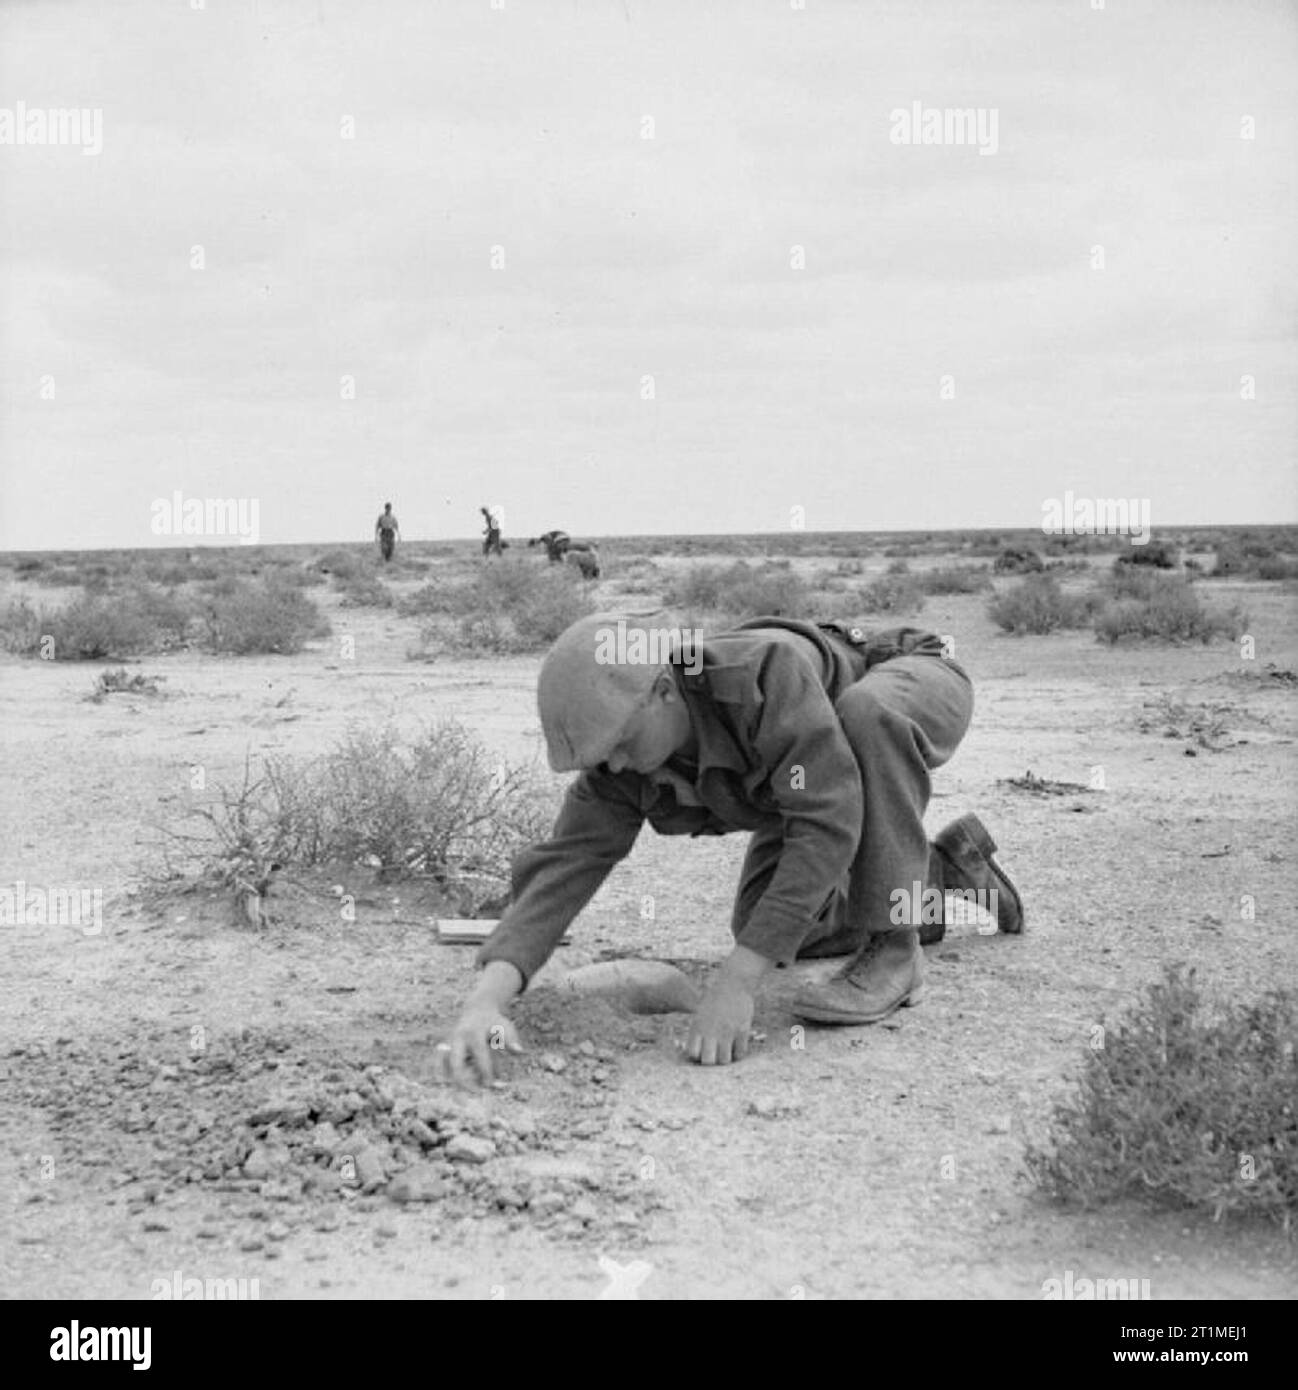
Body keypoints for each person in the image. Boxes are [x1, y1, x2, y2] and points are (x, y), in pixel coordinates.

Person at [445, 612, 1023, 1086]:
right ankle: (941, 874)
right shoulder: (618, 762)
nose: (614, 764)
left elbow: (825, 821)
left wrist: (737, 981)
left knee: (866, 717)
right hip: (817, 775)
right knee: (768, 924)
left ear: (664, 692)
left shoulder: (762, 676)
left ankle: (898, 951)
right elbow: (565, 864)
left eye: (620, 744)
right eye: (602, 757)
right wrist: (488, 999)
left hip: (906, 672)